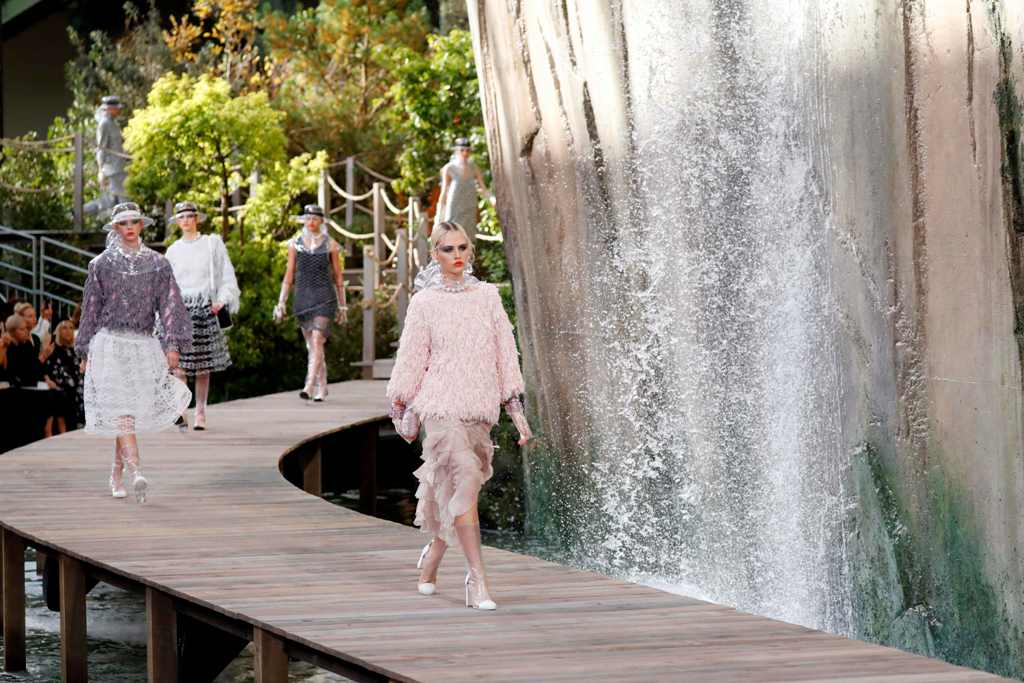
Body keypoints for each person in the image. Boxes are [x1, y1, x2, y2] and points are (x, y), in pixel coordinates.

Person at [386, 221, 532, 610]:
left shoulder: (487, 297)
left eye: (462, 247)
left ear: (471, 251)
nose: (457, 255)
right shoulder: (425, 303)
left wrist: (515, 410)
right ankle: (478, 580)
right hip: (439, 405)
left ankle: (433, 555)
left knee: (457, 488)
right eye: (448, 249)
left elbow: (506, 351)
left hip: (479, 407)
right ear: (435, 254)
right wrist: (401, 407)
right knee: (464, 476)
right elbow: (412, 359)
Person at [76, 202, 192, 502]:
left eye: (134, 222)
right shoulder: (100, 265)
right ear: (115, 228)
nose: (129, 227)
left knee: (125, 411)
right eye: (123, 223)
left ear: (141, 225)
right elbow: (90, 309)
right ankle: (137, 472)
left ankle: (117, 471)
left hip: (143, 346)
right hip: (109, 344)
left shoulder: (158, 264)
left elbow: (170, 306)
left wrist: (172, 344)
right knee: (123, 412)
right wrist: (84, 351)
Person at [165, 201, 240, 430]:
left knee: (203, 366)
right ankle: (181, 409)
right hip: (181, 309)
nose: (186, 220)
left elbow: (226, 275)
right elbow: (167, 283)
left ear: (197, 219)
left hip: (205, 307)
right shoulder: (173, 250)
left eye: (190, 216)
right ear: (177, 222)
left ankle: (200, 412)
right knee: (177, 365)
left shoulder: (211, 244)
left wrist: (222, 298)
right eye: (182, 217)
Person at [273, 205, 347, 402]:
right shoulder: (295, 244)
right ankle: (323, 386)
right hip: (303, 296)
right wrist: (281, 301)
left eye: (315, 218)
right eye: (308, 218)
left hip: (324, 296)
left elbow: (338, 276)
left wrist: (343, 305)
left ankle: (309, 385)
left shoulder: (330, 244)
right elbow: (289, 275)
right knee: (312, 345)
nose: (311, 222)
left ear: (321, 221)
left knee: (317, 340)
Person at [1, 313, 67, 436]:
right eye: (22, 329)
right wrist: (43, 355)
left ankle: (54, 432)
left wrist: (44, 357)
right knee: (49, 395)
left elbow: (34, 368)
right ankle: (46, 433)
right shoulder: (8, 346)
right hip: (18, 386)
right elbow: (18, 371)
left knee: (58, 393)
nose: (26, 331)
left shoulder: (26, 344)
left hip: (30, 384)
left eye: (26, 328)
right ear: (12, 331)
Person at [435, 137, 495, 242]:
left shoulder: (474, 167)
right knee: (451, 233)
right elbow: (444, 192)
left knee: (468, 237)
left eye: (467, 150)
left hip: (469, 205)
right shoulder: (449, 168)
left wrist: (492, 200)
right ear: (456, 150)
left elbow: (483, 187)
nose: (465, 153)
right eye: (462, 150)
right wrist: (439, 214)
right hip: (454, 206)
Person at [84, 95, 128, 216]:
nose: (119, 110)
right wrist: (100, 171)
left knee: (112, 202)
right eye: (117, 108)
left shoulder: (114, 124)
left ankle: (78, 212)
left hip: (120, 167)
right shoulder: (104, 124)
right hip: (111, 170)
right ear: (109, 109)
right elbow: (101, 148)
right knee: (121, 203)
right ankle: (78, 212)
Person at [45, 320, 85, 429]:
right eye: (64, 328)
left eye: (71, 328)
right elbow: (46, 369)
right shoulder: (52, 349)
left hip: (78, 386)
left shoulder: (76, 350)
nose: (68, 331)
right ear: (58, 331)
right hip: (60, 386)